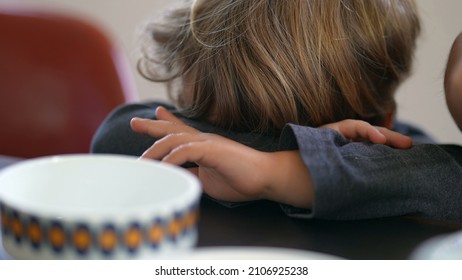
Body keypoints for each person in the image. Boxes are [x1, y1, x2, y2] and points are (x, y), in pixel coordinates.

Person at [92, 0, 462, 222]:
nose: (226, 161)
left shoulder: (409, 160)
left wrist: (275, 168)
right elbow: (118, 134)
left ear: (379, 125)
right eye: (200, 123)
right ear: (385, 117)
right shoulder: (390, 163)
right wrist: (318, 156)